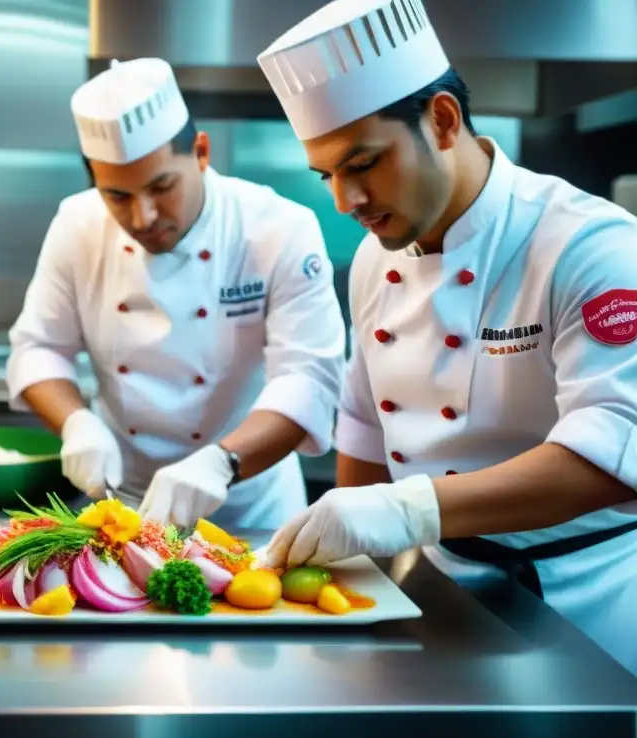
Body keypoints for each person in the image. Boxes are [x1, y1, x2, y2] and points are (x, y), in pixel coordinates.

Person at [256, 0, 637, 672]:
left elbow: (610, 451)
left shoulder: (589, 246)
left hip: (592, 606)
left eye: (363, 163)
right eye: (328, 176)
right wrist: (344, 576)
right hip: (437, 591)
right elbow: (366, 430)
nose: (345, 201)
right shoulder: (376, 261)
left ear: (441, 120)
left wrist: (407, 510)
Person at [6, 58, 347, 531]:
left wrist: (221, 463)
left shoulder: (277, 229)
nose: (143, 217)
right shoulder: (77, 224)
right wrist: (76, 423)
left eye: (161, 186)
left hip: (250, 504)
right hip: (119, 503)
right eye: (117, 196)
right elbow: (38, 348)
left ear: (201, 153)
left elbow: (308, 379)